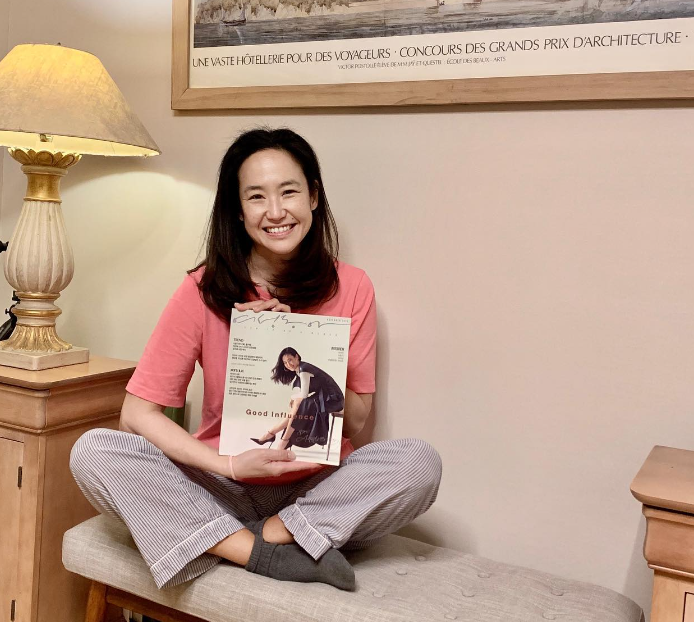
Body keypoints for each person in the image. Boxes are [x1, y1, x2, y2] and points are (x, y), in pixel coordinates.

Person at [70, 127, 442, 592]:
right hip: (221, 483)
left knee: (419, 463)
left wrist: (297, 341)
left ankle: (250, 537)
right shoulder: (202, 289)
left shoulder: (352, 286)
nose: (276, 211)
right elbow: (136, 415)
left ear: (313, 197)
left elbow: (356, 422)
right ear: (238, 210)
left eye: (289, 192)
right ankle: (267, 553)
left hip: (314, 490)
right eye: (257, 197)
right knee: (93, 451)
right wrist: (226, 466)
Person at [252, 347, 344, 450]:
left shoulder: (304, 369)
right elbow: (304, 394)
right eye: (285, 362)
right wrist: (295, 398)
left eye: (290, 360)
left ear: (296, 357)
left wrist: (293, 397)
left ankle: (277, 437)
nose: (288, 364)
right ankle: (277, 437)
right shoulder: (299, 369)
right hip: (323, 397)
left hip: (333, 400)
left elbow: (304, 394)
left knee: (299, 404)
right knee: (298, 405)